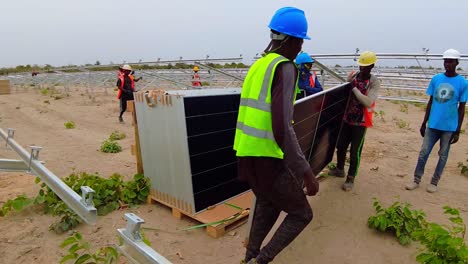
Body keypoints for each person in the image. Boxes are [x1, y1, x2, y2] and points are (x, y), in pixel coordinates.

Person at [234, 7, 319, 264]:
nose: (300, 47)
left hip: (246, 155)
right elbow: (282, 126)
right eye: (301, 41)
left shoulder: (259, 65)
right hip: (268, 157)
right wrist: (305, 171)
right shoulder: (285, 67)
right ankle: (261, 261)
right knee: (302, 214)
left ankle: (250, 256)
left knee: (268, 203)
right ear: (292, 40)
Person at [406, 49, 467, 193]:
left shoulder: (462, 83)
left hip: (449, 127)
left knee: (443, 155)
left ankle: (434, 181)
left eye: (451, 61)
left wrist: (457, 130)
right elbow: (430, 102)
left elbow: (462, 108)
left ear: (457, 63)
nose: (447, 64)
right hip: (433, 124)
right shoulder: (436, 79)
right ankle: (416, 179)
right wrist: (424, 122)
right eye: (446, 61)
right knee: (424, 152)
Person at [328, 51, 380, 191]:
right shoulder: (354, 77)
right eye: (361, 66)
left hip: (360, 122)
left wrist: (354, 88)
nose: (362, 69)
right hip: (347, 119)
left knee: (355, 151)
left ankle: (350, 178)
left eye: (365, 66)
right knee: (341, 146)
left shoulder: (374, 82)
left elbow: (368, 102)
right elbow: (345, 92)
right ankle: (340, 169)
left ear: (372, 66)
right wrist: (347, 83)